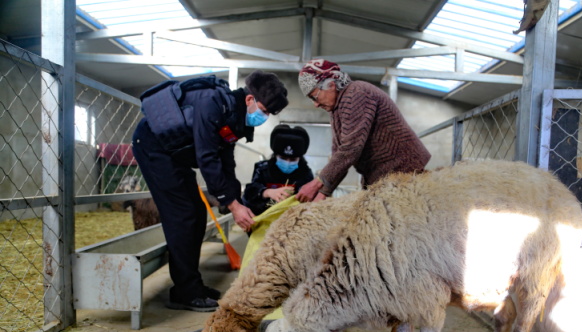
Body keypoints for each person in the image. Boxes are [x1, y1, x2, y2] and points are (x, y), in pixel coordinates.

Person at [131, 71, 288, 312]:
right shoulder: (211, 103)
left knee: (196, 213)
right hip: (154, 148)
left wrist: (236, 199)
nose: (264, 117)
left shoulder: (234, 115)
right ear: (249, 100)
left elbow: (226, 160)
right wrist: (233, 206)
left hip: (176, 153)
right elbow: (207, 157)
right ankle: (185, 291)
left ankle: (191, 285)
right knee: (183, 215)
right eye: (264, 111)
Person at [295, 59, 431, 202]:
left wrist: (316, 184)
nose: (315, 104)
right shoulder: (336, 108)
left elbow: (350, 149)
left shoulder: (356, 93)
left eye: (314, 97)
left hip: (404, 173)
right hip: (382, 177)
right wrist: (322, 194)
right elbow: (339, 154)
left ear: (331, 85)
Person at [242, 125, 314, 215]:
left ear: (300, 158)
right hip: (265, 216)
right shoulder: (263, 170)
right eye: (283, 158)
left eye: (293, 160)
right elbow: (250, 191)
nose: (287, 162)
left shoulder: (305, 173)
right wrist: (267, 192)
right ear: (275, 155)